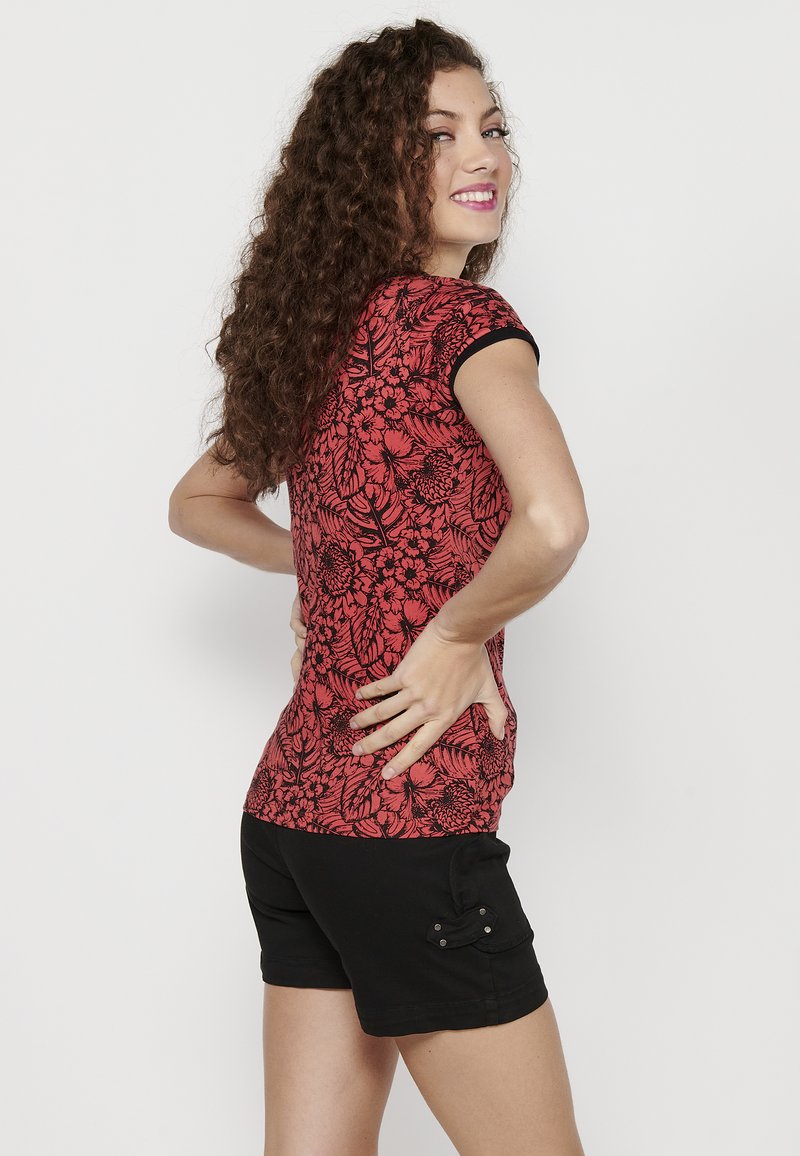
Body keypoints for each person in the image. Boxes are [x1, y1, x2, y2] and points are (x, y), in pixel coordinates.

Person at [169, 18, 588, 1156]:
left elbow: (198, 502)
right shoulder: (468, 327)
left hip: (292, 819)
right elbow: (554, 520)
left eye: (491, 127)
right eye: (437, 134)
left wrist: (330, 567)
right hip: (407, 827)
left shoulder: (314, 338)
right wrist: (453, 631)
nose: (482, 155)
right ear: (370, 167)